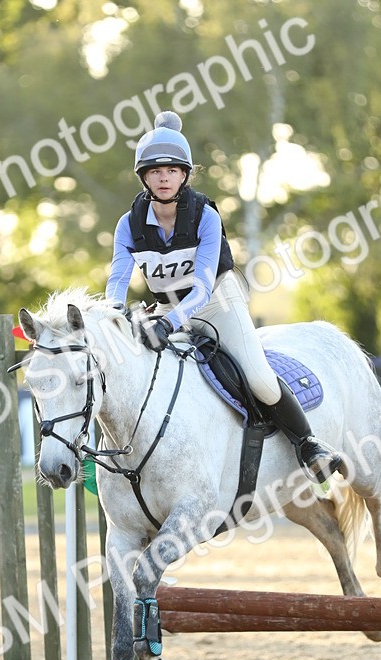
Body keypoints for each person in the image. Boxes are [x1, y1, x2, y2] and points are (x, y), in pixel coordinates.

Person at [105, 110, 344, 484]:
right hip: (168, 306)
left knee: (258, 377)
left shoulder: (205, 215)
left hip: (218, 301)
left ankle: (309, 445)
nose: (163, 177)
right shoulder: (129, 224)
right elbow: (117, 282)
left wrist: (169, 322)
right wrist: (114, 320)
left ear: (185, 174)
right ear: (144, 177)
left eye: (171, 170)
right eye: (154, 171)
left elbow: (201, 286)